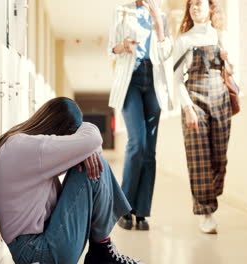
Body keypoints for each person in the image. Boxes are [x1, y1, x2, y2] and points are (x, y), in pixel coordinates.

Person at [0, 97, 142, 264]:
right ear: (60, 129)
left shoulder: (22, 143)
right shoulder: (30, 148)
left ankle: (102, 250)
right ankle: (102, 251)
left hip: (35, 245)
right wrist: (85, 146)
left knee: (92, 160)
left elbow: (90, 144)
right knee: (92, 168)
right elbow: (92, 140)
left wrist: (87, 150)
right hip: (37, 252)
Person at [108, 0, 173, 231]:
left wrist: (157, 22)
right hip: (131, 80)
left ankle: (142, 212)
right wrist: (122, 45)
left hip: (153, 81)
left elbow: (166, 52)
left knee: (150, 151)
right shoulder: (122, 11)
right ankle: (124, 208)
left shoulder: (161, 16)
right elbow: (110, 48)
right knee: (137, 143)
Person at [174, 0, 232, 234]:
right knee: (199, 158)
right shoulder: (184, 40)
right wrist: (187, 107)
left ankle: (210, 193)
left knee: (219, 158)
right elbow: (177, 79)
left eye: (199, 3)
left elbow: (230, 71)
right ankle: (206, 212)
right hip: (194, 97)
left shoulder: (220, 36)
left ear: (211, 8)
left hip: (220, 96)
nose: (195, 8)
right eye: (191, 5)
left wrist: (228, 61)